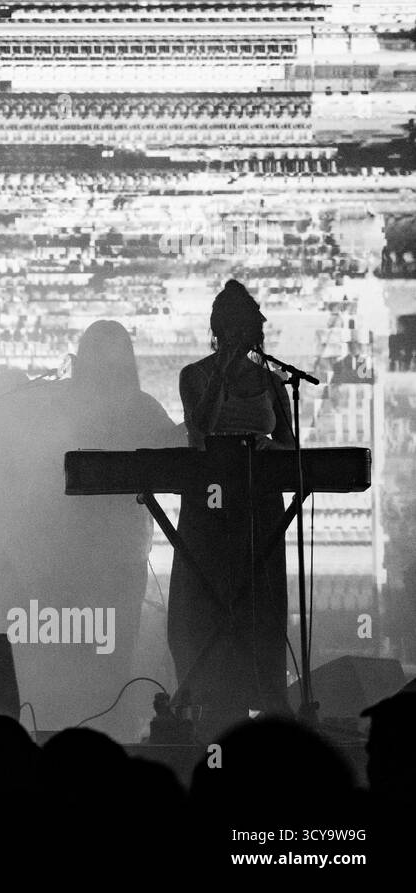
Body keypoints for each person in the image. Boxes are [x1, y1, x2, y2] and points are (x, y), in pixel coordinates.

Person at [0, 321, 178, 738]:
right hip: (79, 554)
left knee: (98, 652)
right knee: (85, 652)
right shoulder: (113, 405)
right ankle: (85, 728)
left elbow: (172, 456)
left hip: (105, 556)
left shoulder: (137, 407)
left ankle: (90, 727)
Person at [171, 279, 294, 733]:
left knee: (257, 604)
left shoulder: (273, 380)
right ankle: (207, 705)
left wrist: (268, 448)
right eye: (235, 330)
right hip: (210, 506)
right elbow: (198, 430)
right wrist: (222, 374)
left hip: (258, 505)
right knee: (208, 602)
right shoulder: (195, 375)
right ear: (220, 331)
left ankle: (261, 703)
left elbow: (290, 444)